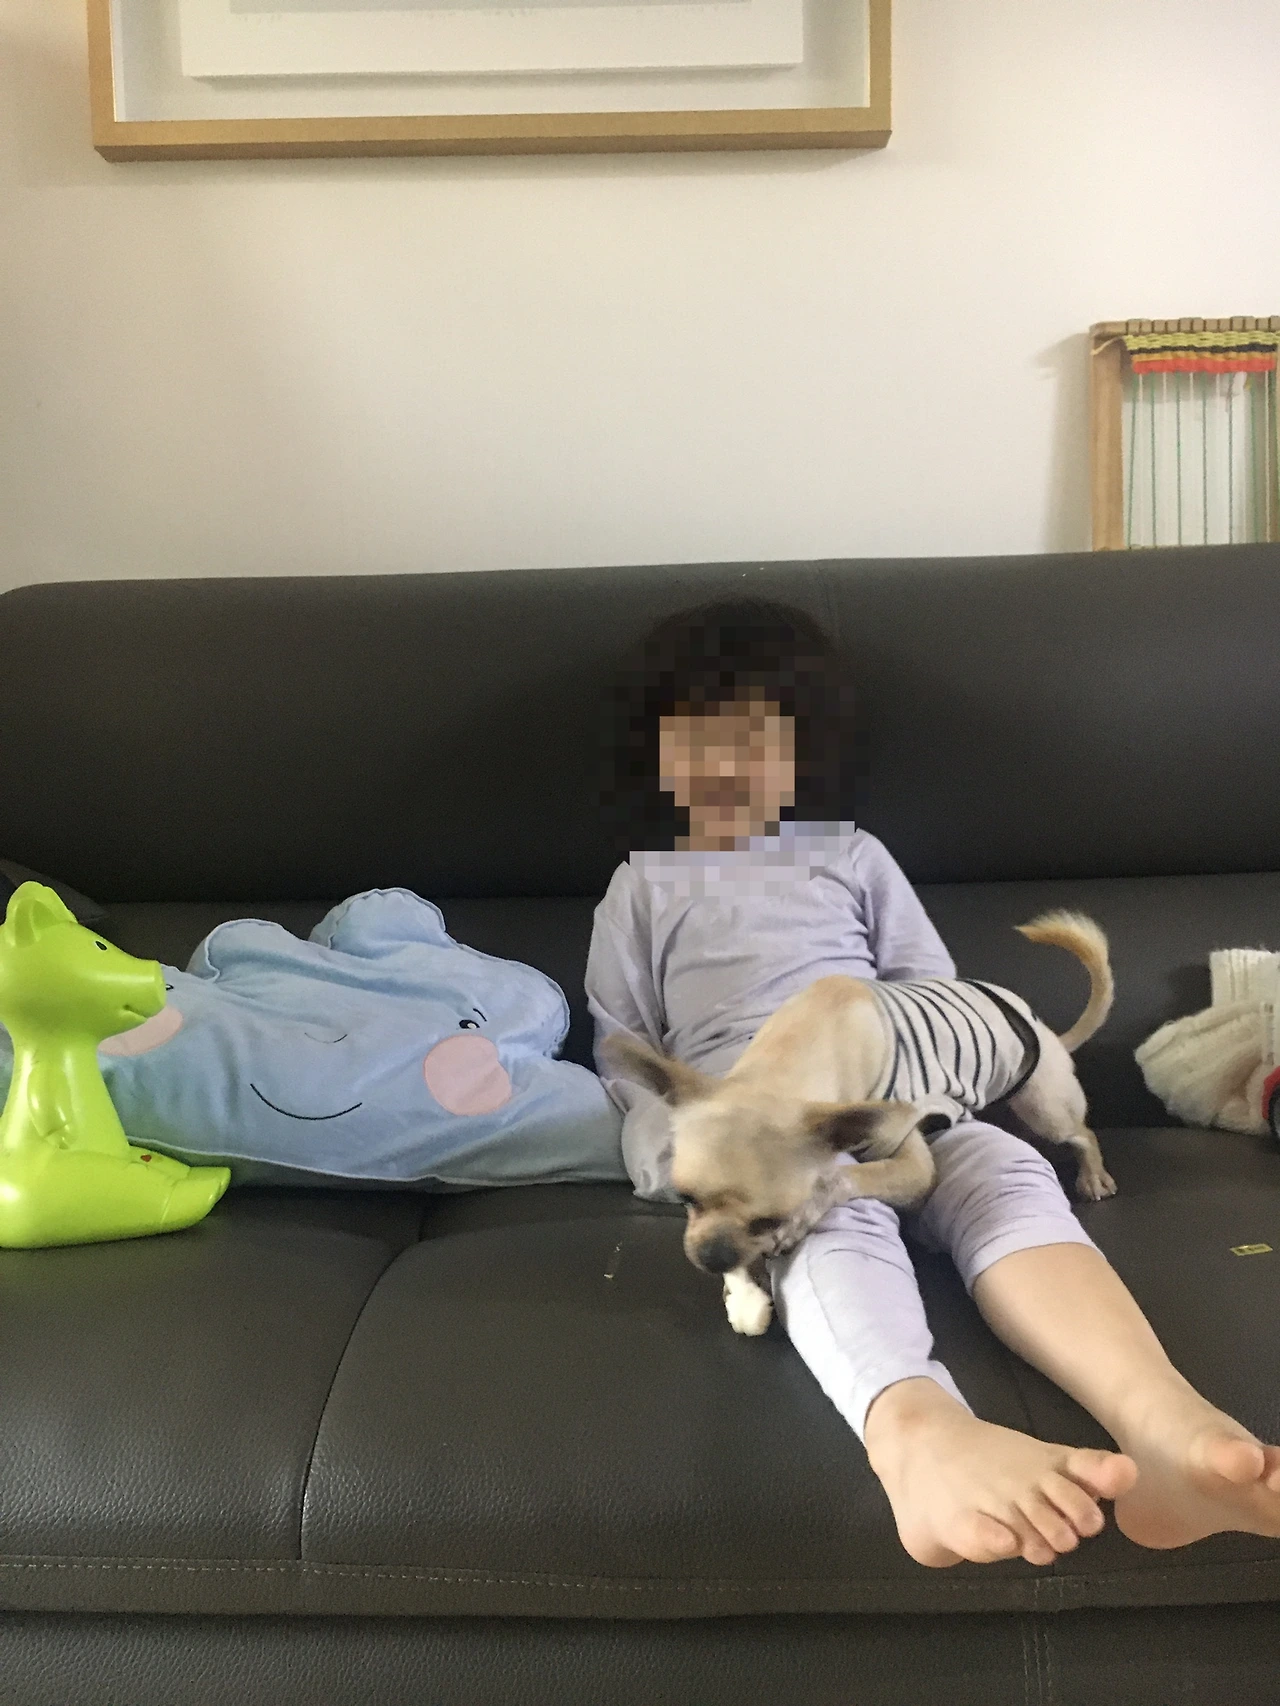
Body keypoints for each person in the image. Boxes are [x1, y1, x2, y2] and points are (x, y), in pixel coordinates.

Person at [586, 598, 1280, 1570]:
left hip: (895, 1083)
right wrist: (682, 1151)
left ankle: (1161, 1423)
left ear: (802, 751)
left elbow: (930, 991)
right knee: (822, 1219)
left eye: (756, 737)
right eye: (696, 736)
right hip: (755, 1124)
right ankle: (914, 1431)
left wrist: (951, 1097)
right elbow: (623, 1041)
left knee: (1007, 1172)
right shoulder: (642, 885)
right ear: (656, 749)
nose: (726, 762)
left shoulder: (850, 855)